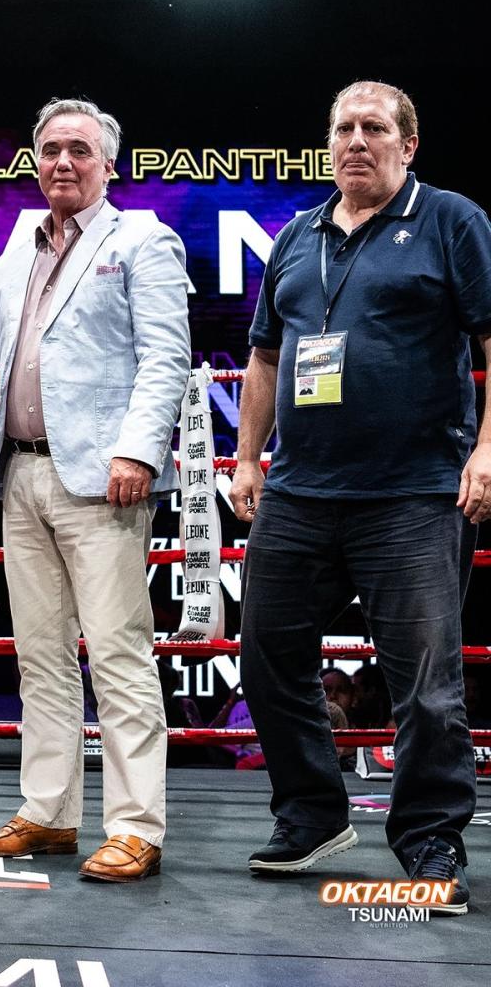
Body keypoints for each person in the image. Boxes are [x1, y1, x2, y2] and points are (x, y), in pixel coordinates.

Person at [0, 97, 191, 882]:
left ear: (108, 165)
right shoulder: (17, 249)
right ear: (36, 162)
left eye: (79, 149)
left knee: (120, 654)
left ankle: (135, 826)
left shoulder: (143, 239)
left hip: (106, 478)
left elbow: (166, 356)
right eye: (52, 149)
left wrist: (138, 451)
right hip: (23, 473)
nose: (64, 162)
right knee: (41, 658)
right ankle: (50, 812)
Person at [230, 80, 491, 914]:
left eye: (374, 127)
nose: (355, 140)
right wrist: (247, 458)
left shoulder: (451, 220)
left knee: (427, 686)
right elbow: (266, 355)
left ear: (407, 145)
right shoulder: (297, 235)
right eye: (343, 127)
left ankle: (430, 841)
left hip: (414, 494)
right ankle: (312, 815)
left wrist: (488, 448)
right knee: (266, 657)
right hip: (300, 491)